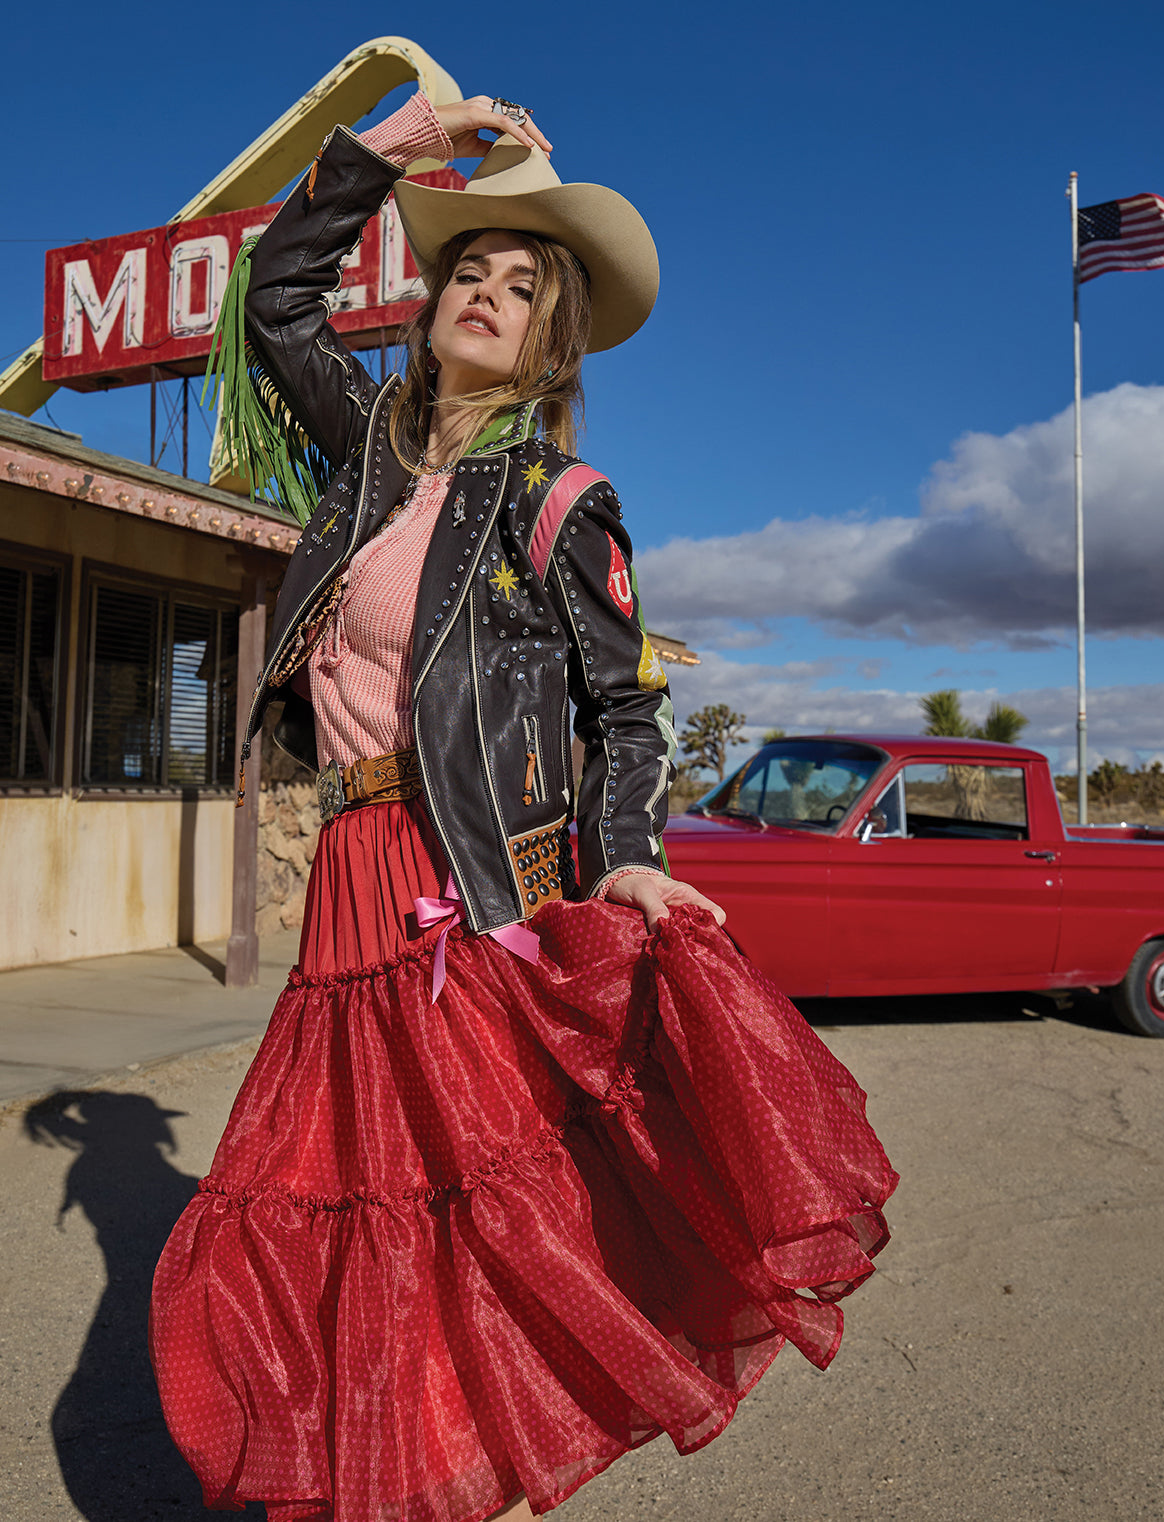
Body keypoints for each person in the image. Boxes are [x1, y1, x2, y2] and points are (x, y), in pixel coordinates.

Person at [150, 90, 898, 1522]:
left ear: (552, 346)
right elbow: (274, 302)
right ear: (432, 310)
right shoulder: (371, 452)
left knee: (472, 1204)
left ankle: (435, 1468)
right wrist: (395, 143)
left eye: (522, 288)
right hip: (351, 875)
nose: (486, 295)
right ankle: (380, 1465)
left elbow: (626, 707)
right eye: (468, 274)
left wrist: (627, 860)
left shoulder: (558, 500)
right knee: (341, 1189)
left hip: (462, 881)